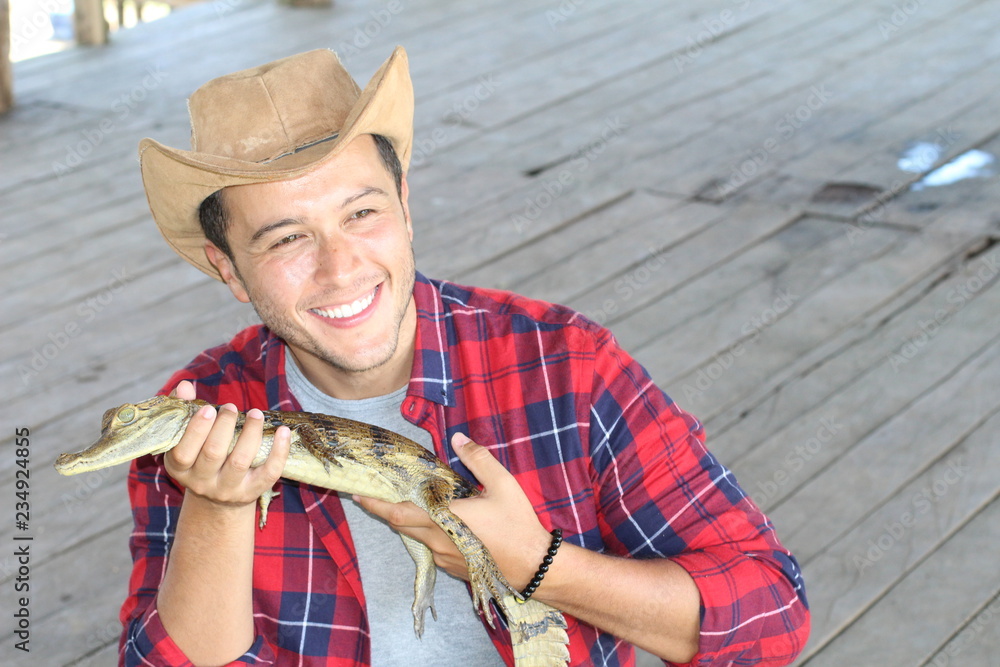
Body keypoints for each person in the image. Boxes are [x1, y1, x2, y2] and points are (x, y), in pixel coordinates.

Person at [120, 46, 810, 666]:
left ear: (405, 206)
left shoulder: (564, 364)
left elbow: (771, 614)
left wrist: (538, 565)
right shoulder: (200, 414)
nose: (340, 267)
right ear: (230, 269)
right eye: (286, 239)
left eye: (362, 213)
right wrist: (215, 506)